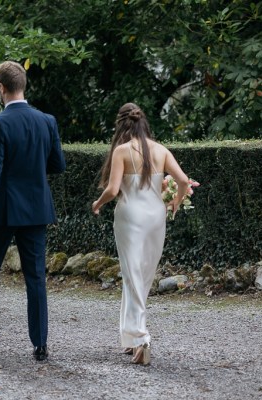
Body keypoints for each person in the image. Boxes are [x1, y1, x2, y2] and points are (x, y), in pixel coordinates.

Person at [0, 61, 66, 361]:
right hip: (36, 209)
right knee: (36, 276)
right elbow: (58, 165)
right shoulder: (47, 121)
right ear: (23, 85)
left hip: (3, 210)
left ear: (1, 89)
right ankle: (40, 344)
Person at [91, 103, 188, 365]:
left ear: (121, 125)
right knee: (142, 276)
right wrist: (175, 202)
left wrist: (97, 204)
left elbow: (112, 190)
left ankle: (141, 337)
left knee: (132, 274)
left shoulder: (122, 151)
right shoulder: (160, 150)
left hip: (130, 216)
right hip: (156, 217)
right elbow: (183, 180)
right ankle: (130, 337)